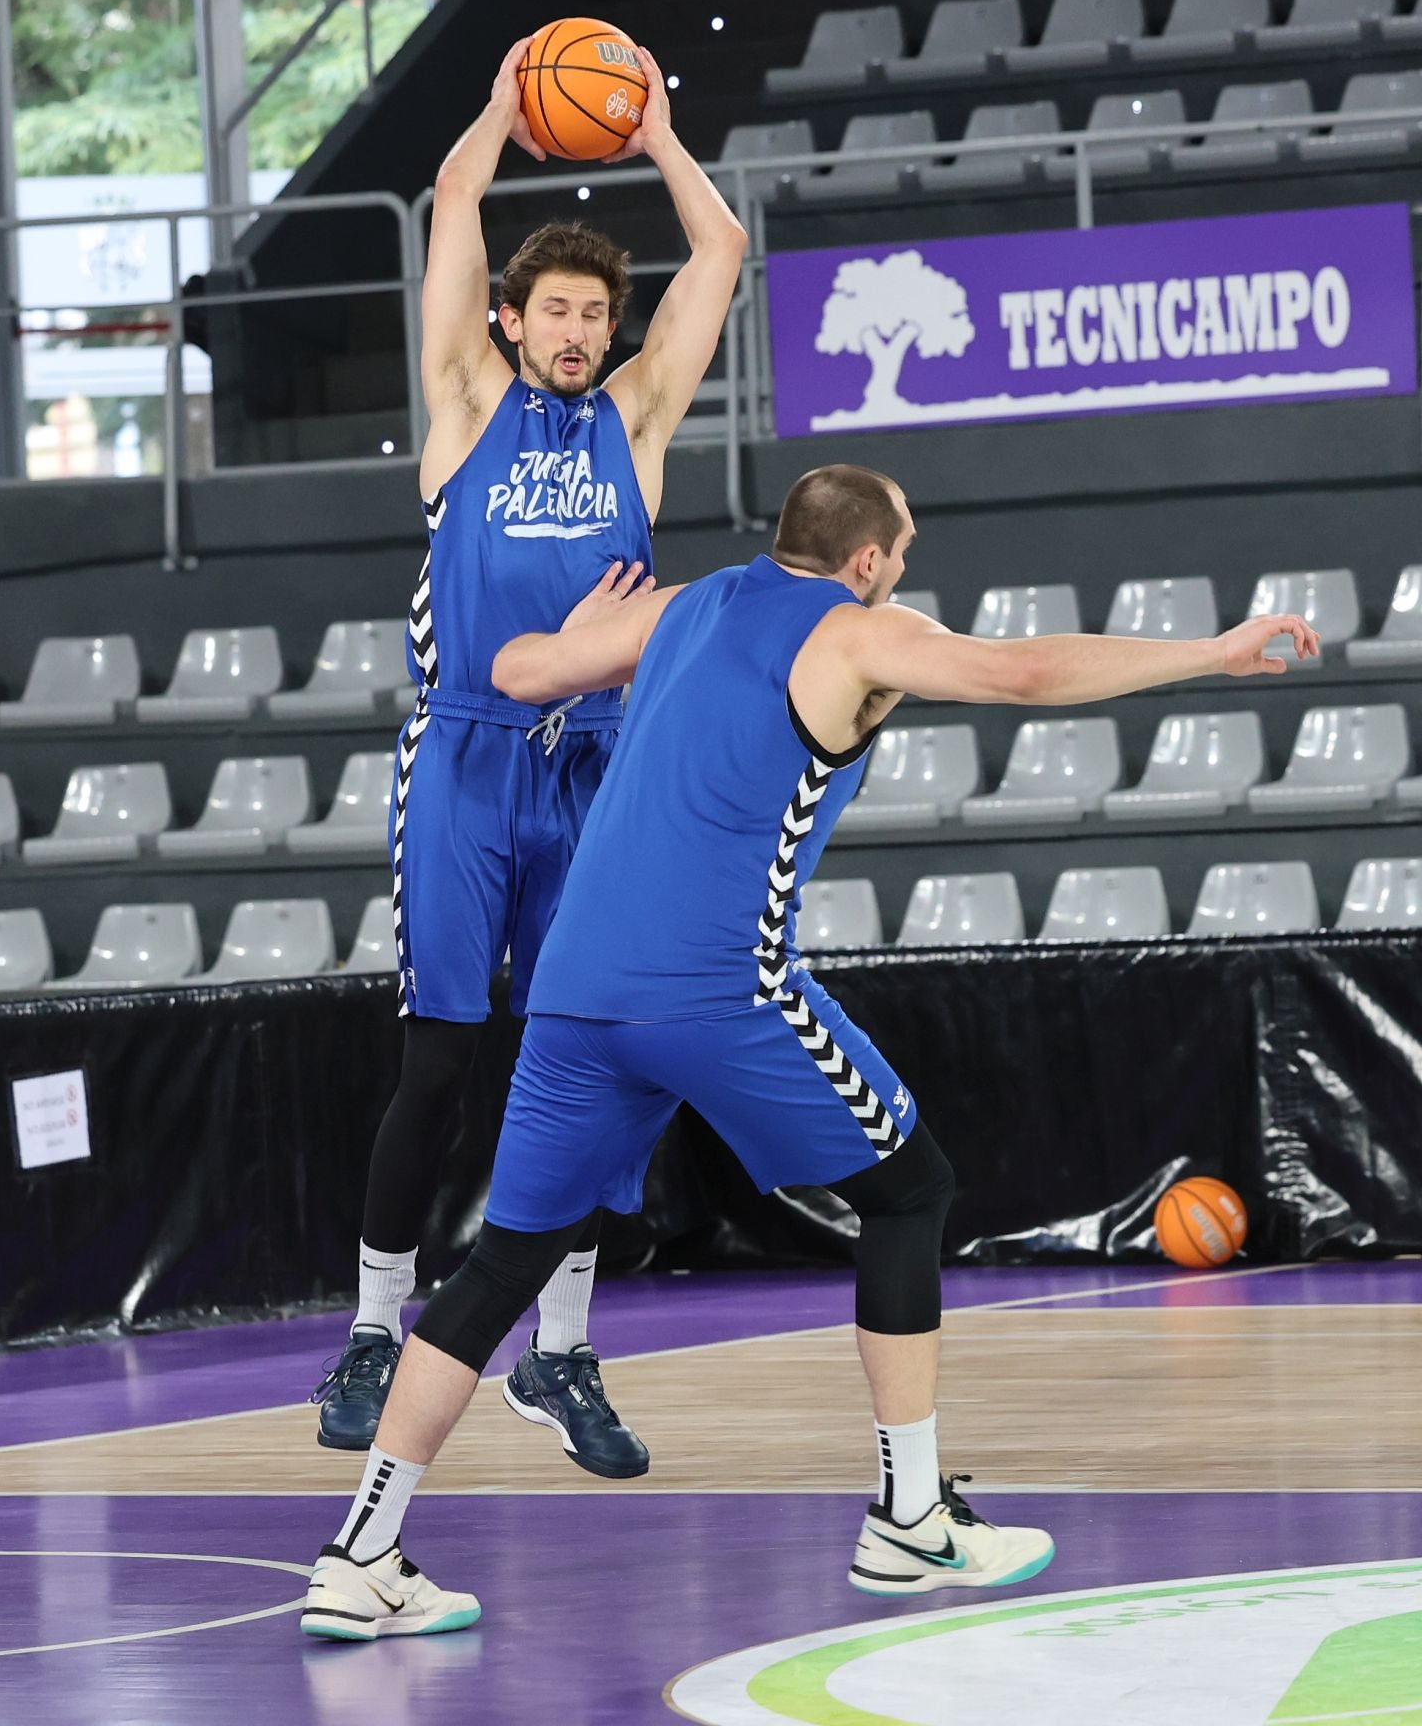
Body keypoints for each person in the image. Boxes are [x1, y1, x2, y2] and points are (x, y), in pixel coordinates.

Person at [300, 463, 1321, 1639]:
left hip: (573, 992)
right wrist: (1216, 649)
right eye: (906, 544)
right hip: (714, 986)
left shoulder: (685, 606)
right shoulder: (858, 635)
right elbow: (1022, 672)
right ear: (870, 559)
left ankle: (361, 1552)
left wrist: (585, 635)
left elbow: (517, 670)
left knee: (498, 1269)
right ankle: (909, 1518)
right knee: (912, 1190)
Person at [310, 33, 748, 1476]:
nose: (573, 332)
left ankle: (558, 1353)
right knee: (439, 1064)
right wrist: (501, 114)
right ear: (507, 321)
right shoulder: (463, 410)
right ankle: (377, 1327)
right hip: (466, 763)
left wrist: (660, 135)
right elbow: (449, 208)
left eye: (591, 315)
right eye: (551, 310)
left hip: (596, 768)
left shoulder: (637, 418)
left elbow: (723, 247)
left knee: (588, 1068)